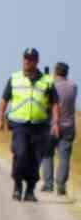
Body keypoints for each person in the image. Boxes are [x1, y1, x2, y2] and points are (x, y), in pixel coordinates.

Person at [0, 47, 61, 202]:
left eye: (31, 59)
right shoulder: (15, 78)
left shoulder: (47, 81)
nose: (27, 61)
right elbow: (4, 100)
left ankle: (30, 190)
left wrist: (56, 123)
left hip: (40, 125)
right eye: (25, 58)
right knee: (21, 153)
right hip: (20, 124)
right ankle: (18, 185)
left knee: (36, 159)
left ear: (37, 61)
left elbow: (55, 103)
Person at [40, 62, 75, 196]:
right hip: (68, 125)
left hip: (51, 124)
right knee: (64, 156)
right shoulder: (73, 86)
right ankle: (61, 184)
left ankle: (48, 184)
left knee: (47, 154)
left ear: (55, 71)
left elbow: (45, 102)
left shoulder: (50, 85)